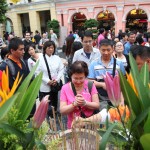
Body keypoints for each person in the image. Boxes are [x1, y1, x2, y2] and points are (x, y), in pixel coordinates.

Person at [60, 61, 100, 129]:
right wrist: (74, 104)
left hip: (90, 125)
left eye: (81, 78)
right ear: (70, 76)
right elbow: (62, 110)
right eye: (75, 78)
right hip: (73, 126)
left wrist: (85, 103)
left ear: (85, 76)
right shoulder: (65, 88)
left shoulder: (90, 85)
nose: (78, 81)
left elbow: (97, 105)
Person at [88, 39, 125, 109]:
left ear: (113, 49)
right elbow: (90, 81)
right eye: (103, 50)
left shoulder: (119, 63)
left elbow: (123, 83)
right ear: (99, 49)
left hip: (117, 98)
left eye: (108, 50)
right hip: (100, 99)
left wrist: (122, 100)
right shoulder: (94, 64)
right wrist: (102, 85)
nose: (106, 52)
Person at [37, 41, 64, 116]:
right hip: (45, 85)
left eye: (52, 48)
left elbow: (61, 69)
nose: (51, 49)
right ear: (45, 48)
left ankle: (54, 113)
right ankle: (46, 114)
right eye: (49, 48)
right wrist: (47, 81)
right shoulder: (40, 59)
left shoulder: (57, 58)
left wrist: (57, 79)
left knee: (54, 99)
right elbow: (37, 72)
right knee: (46, 101)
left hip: (54, 83)